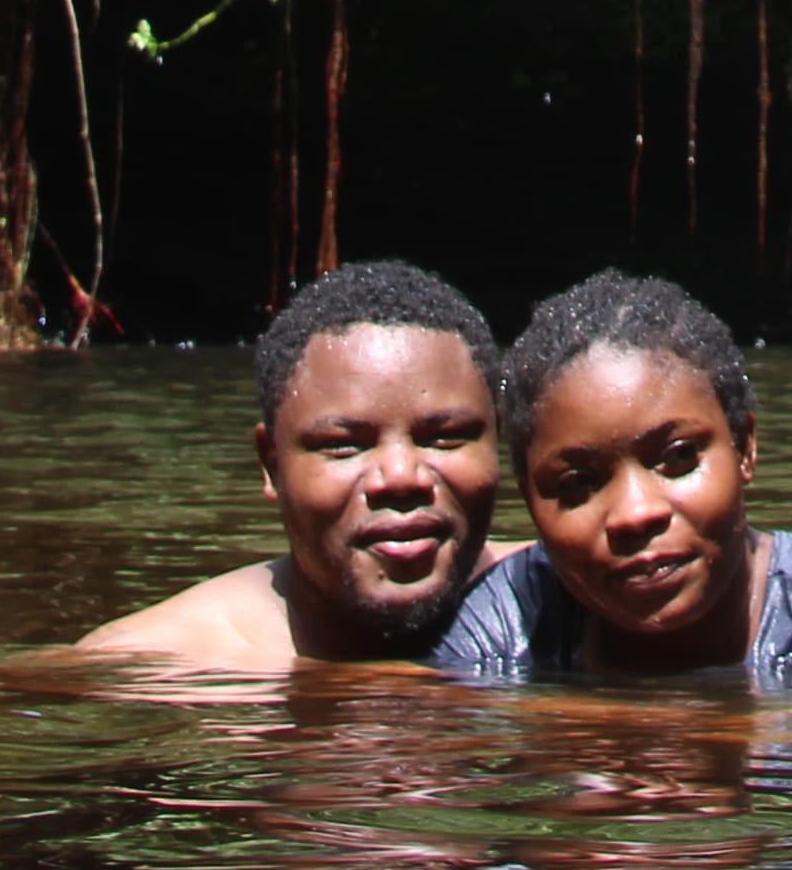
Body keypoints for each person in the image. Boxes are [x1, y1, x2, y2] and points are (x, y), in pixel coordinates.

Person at [430, 269, 792, 686]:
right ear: (531, 502)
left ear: (746, 447)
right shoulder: (515, 619)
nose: (635, 513)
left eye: (678, 458)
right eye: (579, 483)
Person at [76, 259, 508, 668]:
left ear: (501, 442)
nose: (399, 477)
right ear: (271, 465)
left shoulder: (564, 596)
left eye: (445, 438)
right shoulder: (155, 666)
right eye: (344, 445)